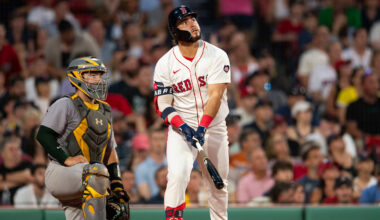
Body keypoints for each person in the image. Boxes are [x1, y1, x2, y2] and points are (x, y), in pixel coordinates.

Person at [153, 6, 230, 220]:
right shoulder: (165, 64)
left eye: (193, 19)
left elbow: (215, 96)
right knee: (177, 176)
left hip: (213, 127)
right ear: (174, 31)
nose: (192, 24)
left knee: (219, 184)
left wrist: (203, 126)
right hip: (181, 128)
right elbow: (162, 104)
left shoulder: (217, 55)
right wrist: (182, 126)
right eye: (184, 22)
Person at [36, 57, 129, 220]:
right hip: (61, 172)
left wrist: (117, 184)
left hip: (88, 181)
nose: (97, 79)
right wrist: (66, 159)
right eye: (92, 74)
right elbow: (43, 134)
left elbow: (110, 152)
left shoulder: (105, 109)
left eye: (99, 75)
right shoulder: (66, 104)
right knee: (96, 172)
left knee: (115, 207)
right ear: (77, 77)